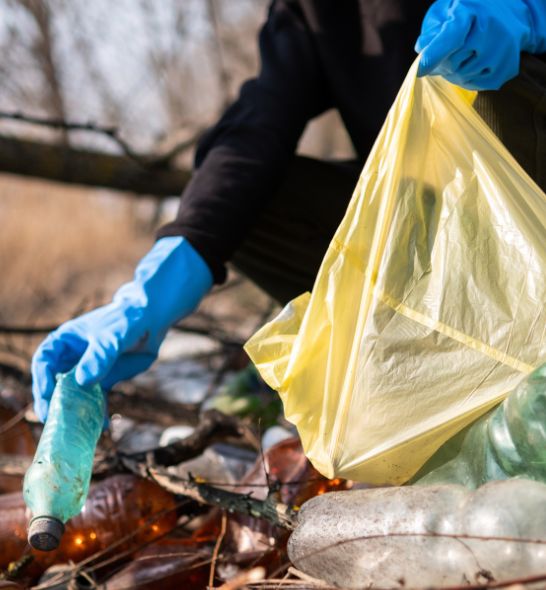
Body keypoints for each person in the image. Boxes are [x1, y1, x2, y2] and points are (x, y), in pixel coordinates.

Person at [32, 0, 546, 421]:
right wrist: (151, 291)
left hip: (529, 202)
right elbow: (256, 129)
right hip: (440, 241)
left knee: (500, 85)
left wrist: (527, 17)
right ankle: (442, 379)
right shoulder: (316, 11)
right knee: (250, 201)